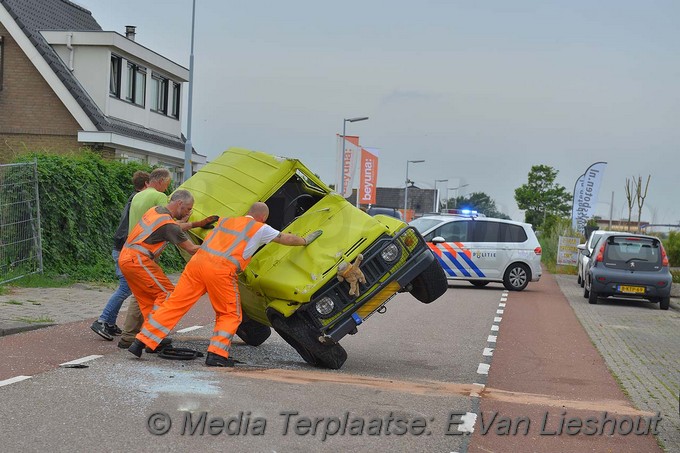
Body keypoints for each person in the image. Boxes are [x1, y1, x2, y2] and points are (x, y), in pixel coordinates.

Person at [128, 202, 322, 367]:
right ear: (263, 217)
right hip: (220, 270)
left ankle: (141, 341)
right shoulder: (260, 228)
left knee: (174, 305)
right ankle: (217, 354)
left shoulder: (226, 221)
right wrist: (305, 240)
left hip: (197, 264)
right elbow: (284, 238)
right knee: (229, 313)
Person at [116, 168, 217, 349]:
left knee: (148, 300)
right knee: (168, 293)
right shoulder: (168, 224)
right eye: (187, 209)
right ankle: (151, 337)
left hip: (126, 258)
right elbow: (191, 248)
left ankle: (141, 338)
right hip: (139, 261)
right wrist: (218, 246)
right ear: (179, 203)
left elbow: (174, 227)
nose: (188, 212)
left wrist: (197, 224)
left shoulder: (156, 211)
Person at [90, 170, 149, 341]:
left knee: (125, 287)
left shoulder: (133, 199)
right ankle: (101, 321)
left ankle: (109, 323)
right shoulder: (139, 201)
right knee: (125, 288)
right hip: (123, 248)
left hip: (120, 247)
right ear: (146, 184)